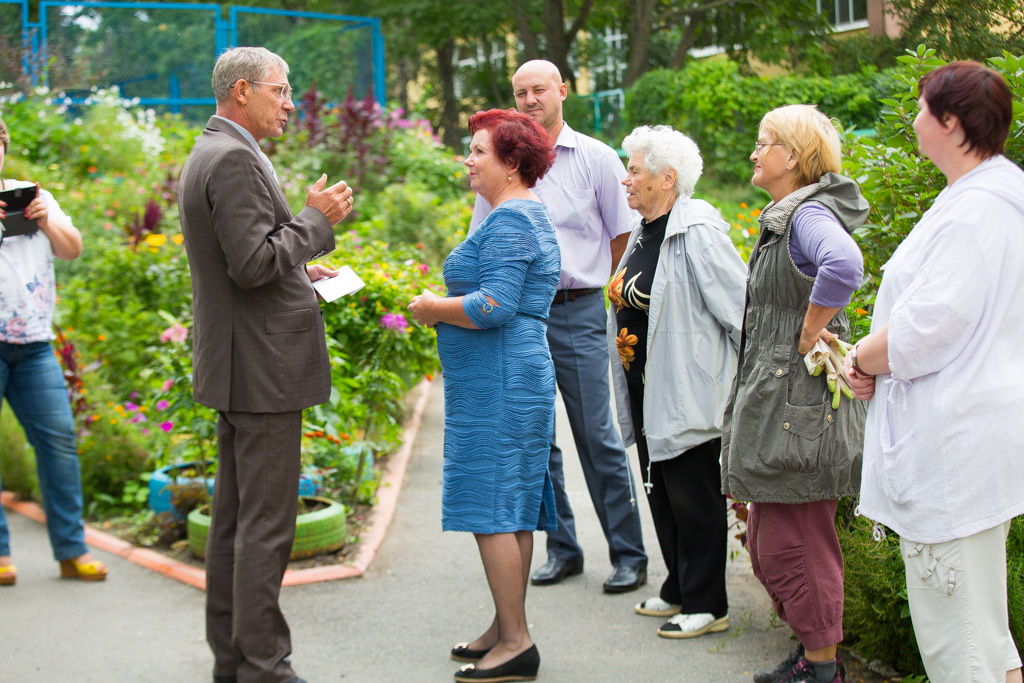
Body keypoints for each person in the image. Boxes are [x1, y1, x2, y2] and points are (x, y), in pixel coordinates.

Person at [843, 61, 1024, 683]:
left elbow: (931, 325)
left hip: (955, 440)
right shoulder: (982, 197)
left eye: (922, 109)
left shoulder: (980, 209)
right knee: (984, 633)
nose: (915, 120)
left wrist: (860, 358)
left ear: (950, 122)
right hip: (969, 428)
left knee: (958, 644)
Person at [178, 46, 354, 683]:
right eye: (281, 92)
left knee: (234, 524)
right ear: (243, 91)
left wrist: (302, 268)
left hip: (240, 366)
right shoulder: (230, 159)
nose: (289, 103)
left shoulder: (214, 149)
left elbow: (247, 261)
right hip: (262, 371)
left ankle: (235, 662)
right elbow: (252, 265)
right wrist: (316, 220)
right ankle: (263, 668)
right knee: (265, 529)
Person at [471, 59, 647, 593]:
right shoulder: (504, 161)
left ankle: (629, 554)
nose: (529, 100)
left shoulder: (594, 157)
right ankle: (563, 549)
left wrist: (614, 305)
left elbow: (624, 237)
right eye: (520, 92)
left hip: (580, 311)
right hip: (521, 316)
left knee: (597, 435)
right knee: (537, 440)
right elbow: (484, 240)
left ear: (563, 92)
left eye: (539, 90)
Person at [408, 109, 559, 683]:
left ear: (511, 162)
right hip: (504, 378)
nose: (467, 161)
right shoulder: (514, 216)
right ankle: (505, 627)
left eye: (477, 152)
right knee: (510, 506)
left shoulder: (514, 220)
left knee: (496, 507)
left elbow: (493, 305)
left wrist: (430, 309)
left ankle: (516, 642)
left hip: (501, 380)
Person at [720, 104, 868, 683]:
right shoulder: (790, 215)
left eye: (764, 143)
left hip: (799, 414)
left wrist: (809, 329)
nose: (754, 153)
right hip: (784, 409)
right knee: (771, 538)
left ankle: (824, 670)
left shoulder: (808, 215)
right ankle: (813, 654)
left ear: (795, 156)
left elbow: (845, 264)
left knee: (799, 543)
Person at [606, 125, 746, 639]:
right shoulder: (645, 228)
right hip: (645, 384)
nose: (626, 179)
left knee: (694, 496)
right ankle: (679, 586)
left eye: (634, 170)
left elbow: (740, 310)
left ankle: (709, 603)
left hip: (688, 387)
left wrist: (738, 387)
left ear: (667, 179)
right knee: (660, 488)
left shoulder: (697, 231)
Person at [0, 117, 107, 586]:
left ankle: (72, 549)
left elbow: (72, 248)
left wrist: (45, 221)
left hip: (34, 345)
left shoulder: (32, 195)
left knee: (59, 443)